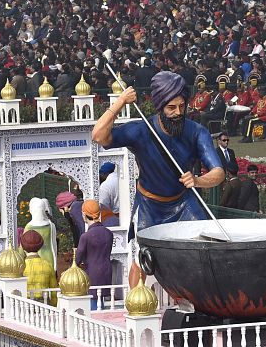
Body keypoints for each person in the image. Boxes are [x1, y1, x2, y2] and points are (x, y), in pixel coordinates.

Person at [92, 70, 223, 234]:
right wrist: (121, 101)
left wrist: (197, 181)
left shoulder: (197, 132)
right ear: (160, 107)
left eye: (182, 106)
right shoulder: (141, 130)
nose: (178, 112)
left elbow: (218, 172)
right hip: (149, 208)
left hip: (185, 203)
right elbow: (98, 136)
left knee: (205, 238)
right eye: (171, 107)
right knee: (146, 248)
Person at [76, 199, 113, 308]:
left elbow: (77, 260)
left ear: (84, 215)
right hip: (106, 270)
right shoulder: (109, 233)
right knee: (101, 302)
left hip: (91, 273)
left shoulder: (85, 236)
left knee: (93, 304)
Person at [20, 230, 56, 303]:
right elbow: (54, 289)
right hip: (44, 304)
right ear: (40, 245)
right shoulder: (47, 265)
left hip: (25, 304)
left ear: (23, 246)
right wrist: (54, 305)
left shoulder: (21, 266)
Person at [22, 198, 58, 270]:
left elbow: (23, 246)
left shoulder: (29, 226)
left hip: (34, 260)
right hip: (49, 258)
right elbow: (54, 245)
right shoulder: (51, 225)